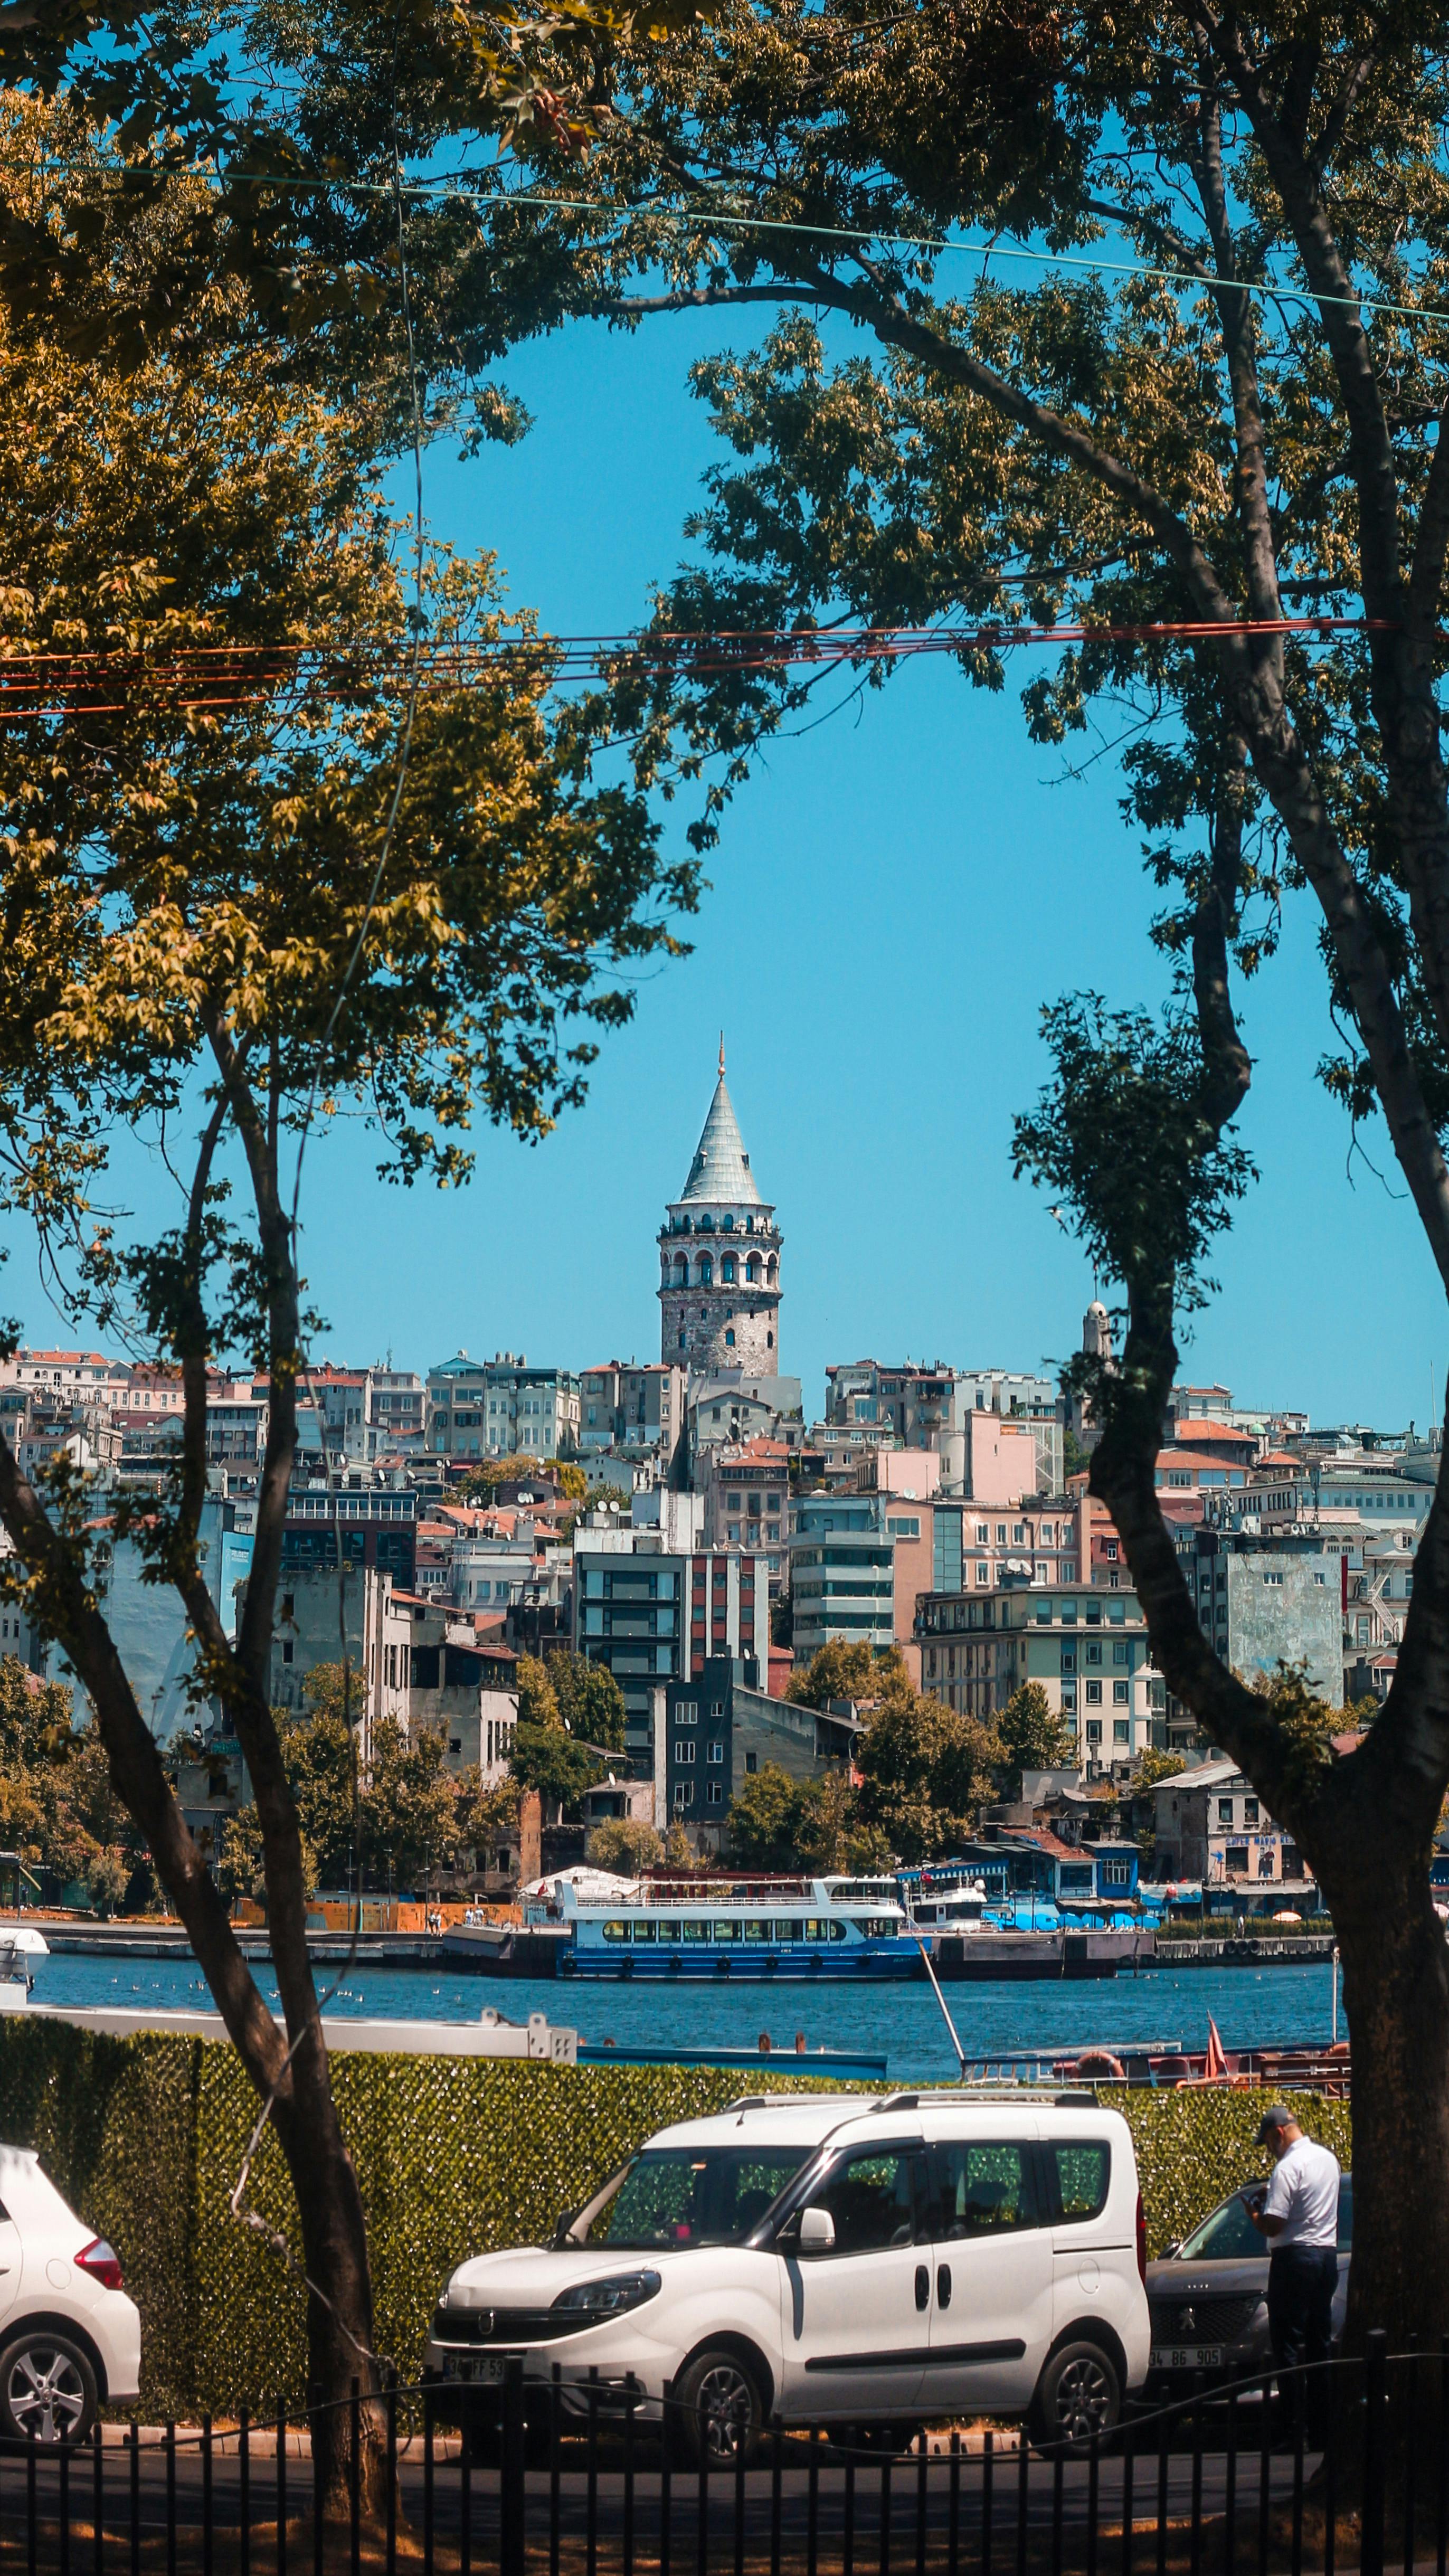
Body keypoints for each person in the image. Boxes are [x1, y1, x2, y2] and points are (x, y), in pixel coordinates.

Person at [1245, 2104, 1340, 2444]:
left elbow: (1275, 2224)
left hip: (1293, 2258)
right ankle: (1322, 2428)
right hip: (1326, 2255)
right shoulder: (1329, 2160)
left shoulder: (1286, 2168)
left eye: (1270, 2143)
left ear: (1280, 2133)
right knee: (1319, 2344)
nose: (1271, 2150)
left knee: (1286, 2344)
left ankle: (1291, 2428)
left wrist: (1255, 2216)